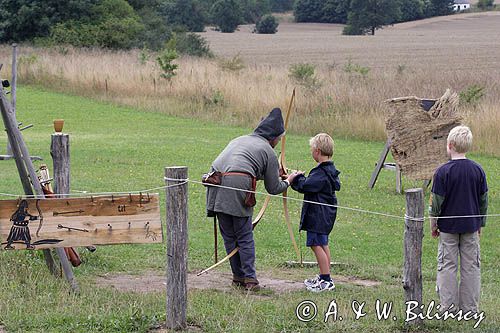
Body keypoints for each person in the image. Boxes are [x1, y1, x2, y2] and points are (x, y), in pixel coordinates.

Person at [206, 108, 301, 291]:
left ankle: (238, 277)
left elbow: (244, 164)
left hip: (215, 183)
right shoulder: (268, 150)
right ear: (273, 138)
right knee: (244, 235)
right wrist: (289, 181)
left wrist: (273, 173)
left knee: (229, 235)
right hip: (236, 184)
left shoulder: (239, 139)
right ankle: (250, 280)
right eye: (278, 139)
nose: (278, 143)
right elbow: (274, 189)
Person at [429, 125, 488, 313]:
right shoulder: (478, 170)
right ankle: (470, 308)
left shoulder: (442, 172)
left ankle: (448, 308)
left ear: (450, 145)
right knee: (471, 267)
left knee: (447, 266)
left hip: (447, 228)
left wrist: (433, 224)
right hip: (471, 226)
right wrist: (481, 223)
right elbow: (483, 201)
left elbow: (436, 204)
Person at [290, 133, 340, 292]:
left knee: (316, 244)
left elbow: (306, 186)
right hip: (324, 215)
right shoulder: (328, 170)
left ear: (317, 151)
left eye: (312, 149)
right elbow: (310, 183)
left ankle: (326, 280)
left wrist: (294, 179)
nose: (311, 152)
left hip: (318, 216)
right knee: (322, 244)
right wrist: (295, 177)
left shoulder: (321, 173)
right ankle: (325, 276)